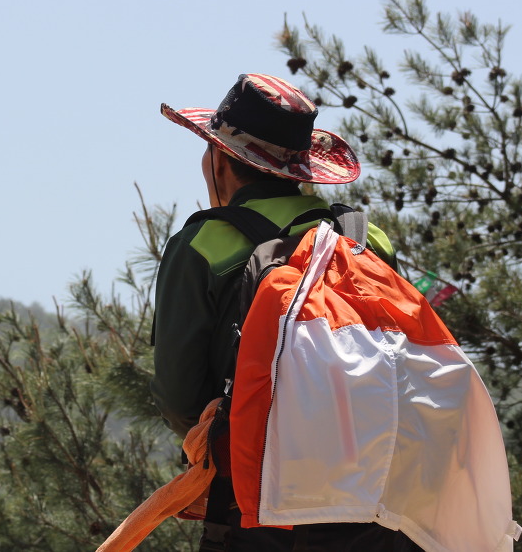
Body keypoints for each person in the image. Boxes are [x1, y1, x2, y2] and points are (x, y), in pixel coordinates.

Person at [152, 73, 420, 551]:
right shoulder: (364, 239)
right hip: (368, 505)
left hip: (254, 508)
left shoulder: (201, 245)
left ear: (221, 159)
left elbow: (181, 397)